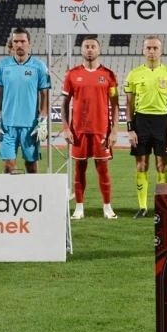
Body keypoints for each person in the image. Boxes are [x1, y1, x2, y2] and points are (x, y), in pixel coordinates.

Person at [62, 36, 119, 220]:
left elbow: (115, 104)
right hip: (79, 131)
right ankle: (79, 208)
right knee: (79, 168)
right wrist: (66, 127)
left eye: (93, 46)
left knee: (103, 169)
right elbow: (65, 103)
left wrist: (114, 131)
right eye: (86, 46)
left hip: (101, 130)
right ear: (81, 50)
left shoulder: (109, 75)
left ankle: (107, 207)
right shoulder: (72, 74)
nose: (89, 49)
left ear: (99, 50)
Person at [124, 36, 167, 218]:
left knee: (162, 166)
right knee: (141, 165)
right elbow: (129, 104)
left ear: (161, 51)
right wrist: (130, 129)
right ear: (143, 50)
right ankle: (143, 207)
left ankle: (163, 207)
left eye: (155, 48)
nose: (152, 51)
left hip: (162, 122)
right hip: (141, 122)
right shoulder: (134, 74)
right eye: (148, 48)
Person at [0, 27, 51, 174]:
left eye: (22, 41)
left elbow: (45, 96)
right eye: (16, 41)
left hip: (30, 126)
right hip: (7, 126)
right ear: (12, 43)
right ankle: (11, 190)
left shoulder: (39, 66)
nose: (19, 45)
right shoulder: (2, 65)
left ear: (29, 42)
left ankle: (33, 190)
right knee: (8, 166)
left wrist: (43, 120)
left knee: (31, 165)